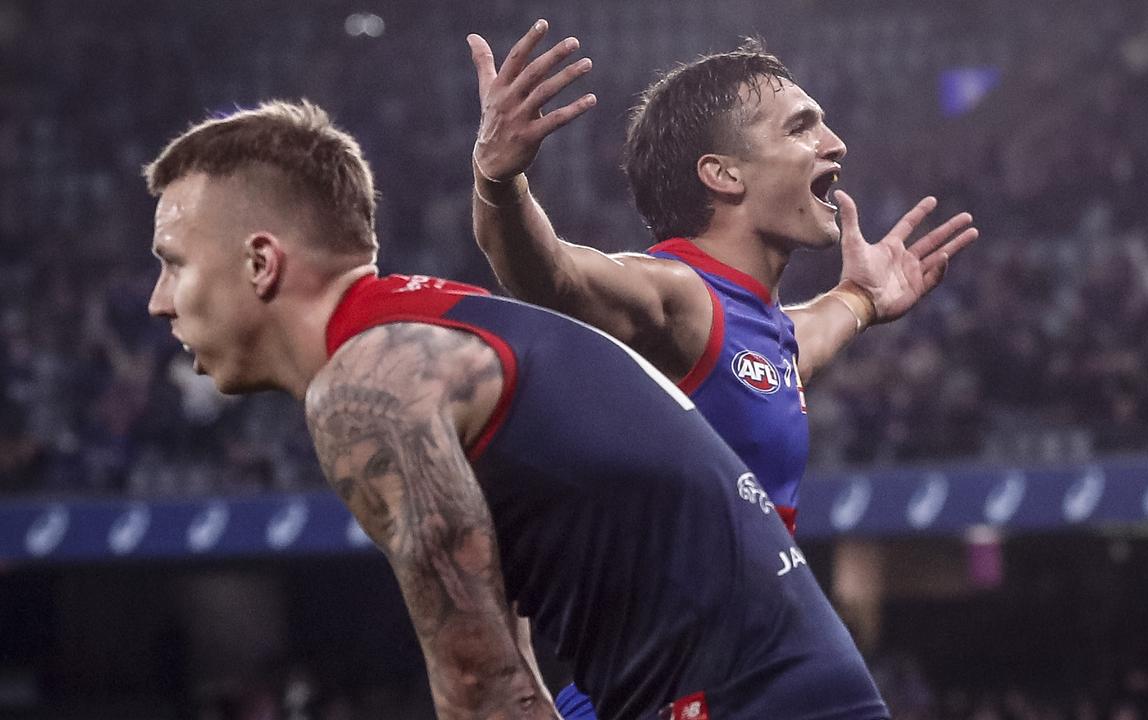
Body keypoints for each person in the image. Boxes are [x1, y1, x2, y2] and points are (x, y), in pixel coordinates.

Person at [144, 100, 889, 719]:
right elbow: (512, 657)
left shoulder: (370, 386)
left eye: (173, 263)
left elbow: (485, 691)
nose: (159, 301)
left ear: (260, 262)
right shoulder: (450, 325)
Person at [468, 21, 978, 717]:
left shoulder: (759, 329)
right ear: (723, 173)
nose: (834, 144)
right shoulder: (676, 295)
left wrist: (860, 299)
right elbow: (551, 275)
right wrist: (499, 183)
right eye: (802, 128)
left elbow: (800, 341)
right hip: (668, 693)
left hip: (704, 687)